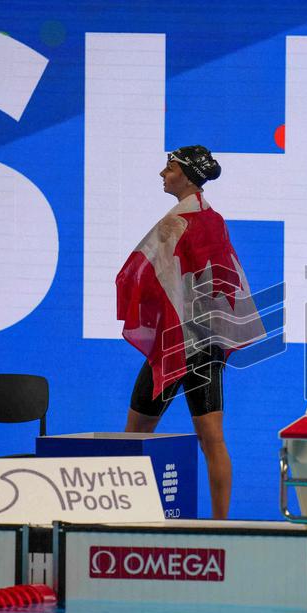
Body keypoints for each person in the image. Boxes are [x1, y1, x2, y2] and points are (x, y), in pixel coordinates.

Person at [116, 145, 264, 520]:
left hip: (175, 344)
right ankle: (220, 525)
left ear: (185, 174)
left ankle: (130, 517)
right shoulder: (214, 220)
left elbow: (141, 277)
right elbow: (226, 283)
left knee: (135, 434)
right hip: (206, 344)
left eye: (168, 168)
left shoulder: (174, 223)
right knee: (212, 440)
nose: (162, 174)